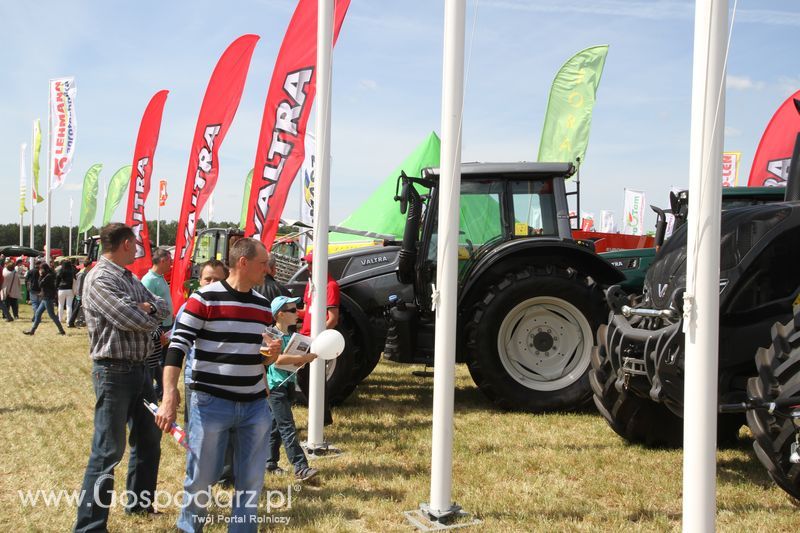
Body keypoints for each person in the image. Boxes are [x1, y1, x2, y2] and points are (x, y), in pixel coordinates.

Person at [158, 238, 282, 532]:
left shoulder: (263, 306)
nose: (268, 268)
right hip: (211, 403)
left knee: (251, 478)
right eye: (263, 263)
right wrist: (169, 394)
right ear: (243, 263)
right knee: (202, 475)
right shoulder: (204, 299)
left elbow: (260, 355)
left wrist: (271, 355)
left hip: (254, 405)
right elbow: (177, 348)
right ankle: (189, 527)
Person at [73, 223, 170, 532]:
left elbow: (163, 309)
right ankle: (90, 525)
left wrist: (147, 306)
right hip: (113, 372)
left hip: (140, 372)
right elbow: (131, 318)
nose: (140, 249)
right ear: (127, 244)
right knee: (108, 450)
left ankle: (140, 505)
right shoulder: (100, 278)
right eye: (137, 244)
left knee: (149, 440)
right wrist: (144, 308)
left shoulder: (127, 277)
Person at [265, 295, 318, 481]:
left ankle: (269, 463)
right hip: (274, 387)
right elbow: (277, 359)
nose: (298, 313)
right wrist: (303, 359)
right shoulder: (271, 335)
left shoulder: (292, 336)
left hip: (286, 385)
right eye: (294, 310)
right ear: (280, 315)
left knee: (275, 426)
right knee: (287, 427)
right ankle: (300, 467)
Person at [296, 252, 340, 426]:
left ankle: (321, 416)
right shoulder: (311, 285)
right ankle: (321, 415)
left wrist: (319, 337)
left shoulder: (331, 286)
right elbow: (306, 311)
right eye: (307, 264)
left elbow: (333, 318)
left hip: (316, 340)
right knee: (303, 377)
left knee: (314, 378)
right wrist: (288, 310)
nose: (308, 268)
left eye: (311, 264)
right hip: (305, 337)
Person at [141, 248, 174, 400]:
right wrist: (157, 329)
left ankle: (158, 392)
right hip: (158, 328)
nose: (171, 264)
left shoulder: (159, 277)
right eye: (169, 261)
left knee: (162, 361)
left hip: (165, 326)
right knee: (157, 361)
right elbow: (146, 309)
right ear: (162, 261)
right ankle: (155, 393)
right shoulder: (149, 280)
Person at [24, 263, 65, 335]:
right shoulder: (50, 275)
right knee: (38, 313)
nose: (39, 270)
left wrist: (40, 276)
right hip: (45, 297)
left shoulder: (48, 276)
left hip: (47, 298)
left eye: (40, 269)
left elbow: (40, 284)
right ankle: (32, 331)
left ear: (43, 269)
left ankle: (61, 331)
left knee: (52, 315)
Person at [67, 259, 93, 328]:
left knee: (78, 309)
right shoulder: (82, 274)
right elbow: (79, 285)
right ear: (89, 265)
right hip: (80, 294)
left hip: (82, 294)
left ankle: (74, 322)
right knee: (76, 309)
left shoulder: (84, 272)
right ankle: (71, 322)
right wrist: (79, 295)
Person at [56, 259, 76, 323]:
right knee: (69, 305)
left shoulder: (61, 271)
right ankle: (68, 320)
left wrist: (56, 287)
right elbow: (75, 279)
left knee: (60, 304)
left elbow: (57, 280)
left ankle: (60, 319)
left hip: (61, 289)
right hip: (70, 289)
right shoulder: (72, 271)